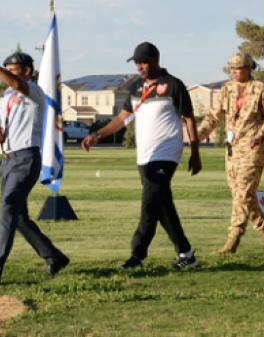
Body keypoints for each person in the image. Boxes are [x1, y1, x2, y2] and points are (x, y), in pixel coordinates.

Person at [82, 42, 202, 270]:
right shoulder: (136, 87)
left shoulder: (174, 85)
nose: (140, 67)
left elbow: (188, 119)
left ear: (156, 59)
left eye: (144, 62)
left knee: (149, 204)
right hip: (145, 156)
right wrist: (97, 134)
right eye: (137, 63)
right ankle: (186, 254)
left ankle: (137, 255)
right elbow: (122, 119)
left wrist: (195, 153)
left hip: (166, 152)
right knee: (161, 204)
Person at [0, 52, 69, 284]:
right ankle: (54, 256)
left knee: (7, 208)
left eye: (12, 70)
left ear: (27, 71)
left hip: (25, 158)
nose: (7, 75)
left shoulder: (33, 91)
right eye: (5, 69)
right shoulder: (6, 96)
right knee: (19, 218)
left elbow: (16, 83)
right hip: (5, 160)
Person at [197, 52, 264, 254]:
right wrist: (199, 134)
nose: (235, 72)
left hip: (253, 148)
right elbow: (214, 115)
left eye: (239, 68)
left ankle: (237, 238)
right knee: (240, 196)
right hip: (233, 150)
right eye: (232, 69)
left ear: (249, 68)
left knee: (243, 194)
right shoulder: (227, 89)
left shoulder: (260, 89)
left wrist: (261, 135)